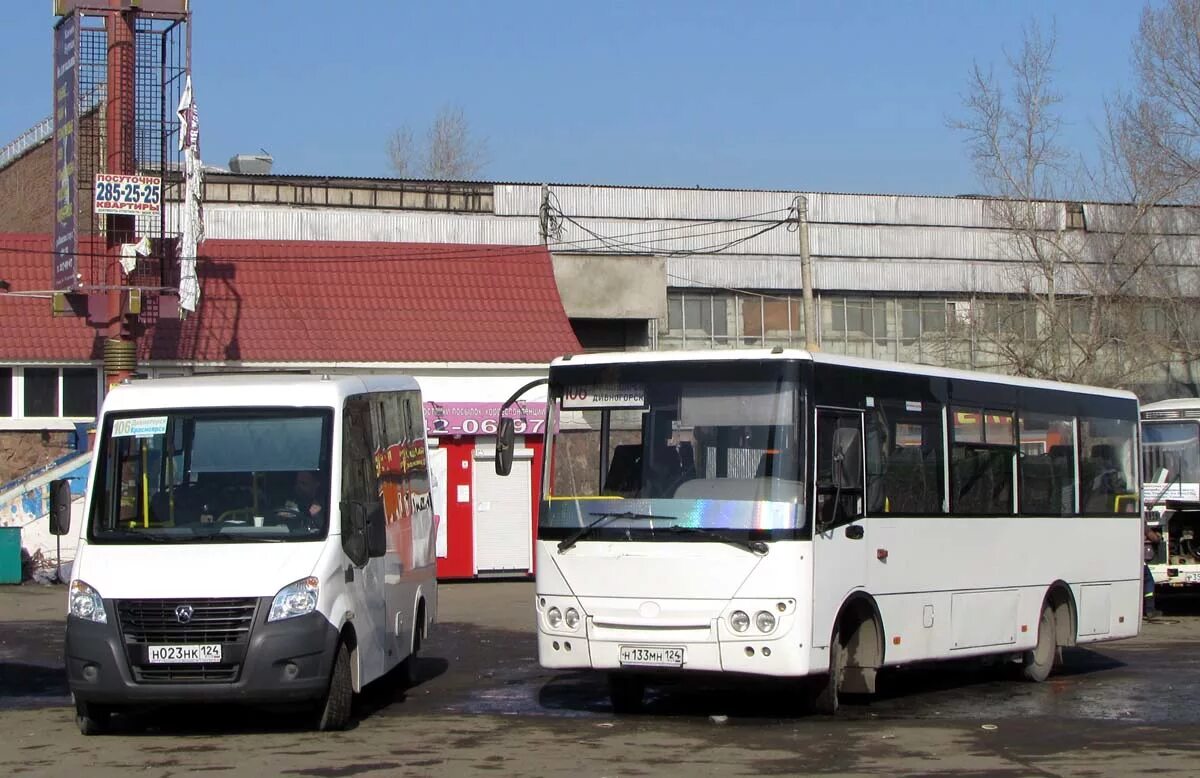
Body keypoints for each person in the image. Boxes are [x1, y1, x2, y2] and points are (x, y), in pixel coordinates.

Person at [1144, 523, 1162, 619]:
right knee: (1149, 581)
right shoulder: (1141, 522)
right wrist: (1158, 536)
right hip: (1139, 561)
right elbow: (1154, 538)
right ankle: (1150, 610)